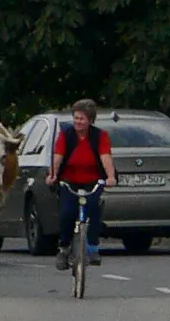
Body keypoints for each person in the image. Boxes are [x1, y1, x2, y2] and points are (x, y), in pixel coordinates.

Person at [48, 98, 117, 268]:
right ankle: (64, 249)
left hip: (92, 181)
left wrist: (111, 177)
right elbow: (58, 157)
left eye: (82, 118)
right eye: (76, 117)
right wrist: (53, 175)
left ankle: (93, 248)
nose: (78, 122)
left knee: (94, 210)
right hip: (69, 181)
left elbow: (105, 157)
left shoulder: (100, 136)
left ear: (90, 121)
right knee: (67, 214)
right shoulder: (66, 135)